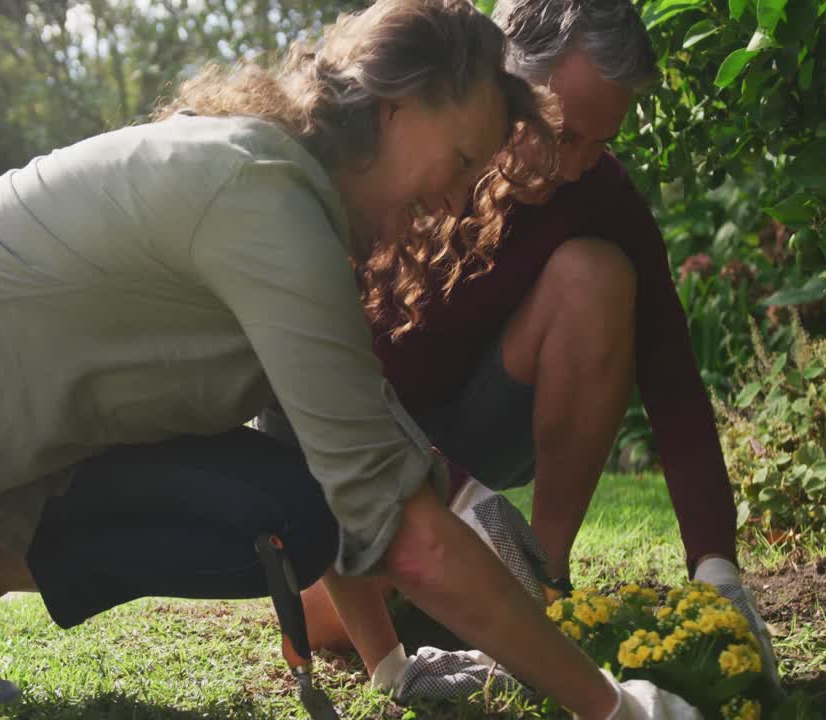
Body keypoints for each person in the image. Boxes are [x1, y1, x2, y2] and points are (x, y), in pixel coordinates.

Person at [0, 0, 696, 717]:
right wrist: (613, 708)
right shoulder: (260, 190)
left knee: (291, 513)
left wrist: (393, 667)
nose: (460, 198)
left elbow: (347, 464)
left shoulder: (309, 219)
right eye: (461, 160)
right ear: (399, 109)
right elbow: (413, 538)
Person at [287, 0, 782, 702]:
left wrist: (717, 571)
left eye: (598, 143)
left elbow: (672, 379)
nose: (574, 166)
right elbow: (317, 386)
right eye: (563, 133)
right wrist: (438, 507)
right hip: (371, 445)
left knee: (596, 275)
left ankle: (542, 586)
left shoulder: (598, 192)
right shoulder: (398, 165)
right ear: (501, 82)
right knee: (331, 618)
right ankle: (459, 593)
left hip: (482, 424)